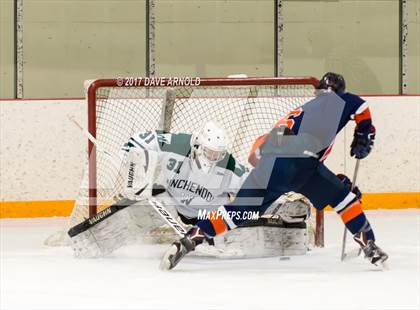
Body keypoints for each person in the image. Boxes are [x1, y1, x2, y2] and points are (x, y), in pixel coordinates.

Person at [161, 72, 389, 270]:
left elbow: (255, 156)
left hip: (273, 166)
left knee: (236, 213)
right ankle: (370, 246)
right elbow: (361, 107)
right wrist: (365, 132)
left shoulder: (298, 112)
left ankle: (188, 240)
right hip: (303, 167)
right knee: (345, 200)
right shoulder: (336, 100)